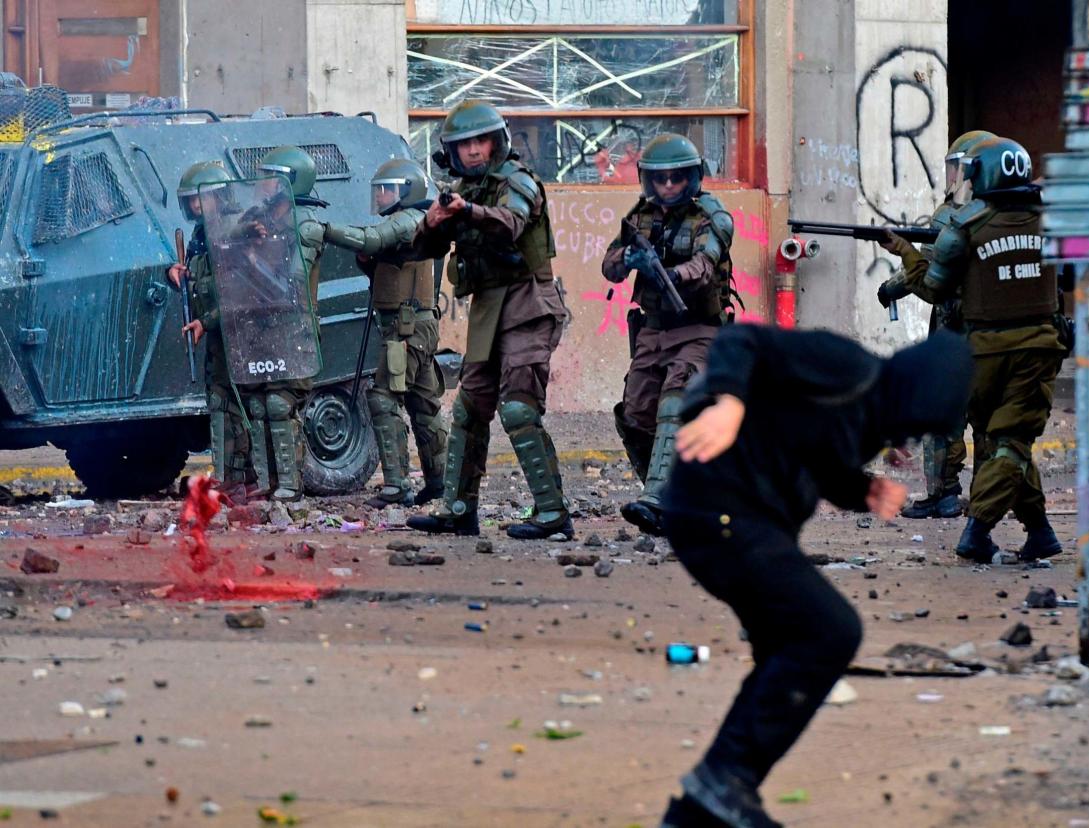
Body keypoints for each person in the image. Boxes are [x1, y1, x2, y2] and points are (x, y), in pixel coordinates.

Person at [659, 325, 972, 827]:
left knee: (786, 653)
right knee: (829, 630)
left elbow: (812, 454)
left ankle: (704, 808)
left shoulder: (870, 418)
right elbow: (742, 341)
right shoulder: (846, 365)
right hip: (718, 508)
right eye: (918, 423)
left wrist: (861, 490)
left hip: (743, 521)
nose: (909, 439)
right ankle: (722, 780)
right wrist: (730, 403)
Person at [404, 100, 571, 540]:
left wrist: (468, 212)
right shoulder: (464, 191)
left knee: (518, 408)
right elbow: (421, 250)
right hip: (488, 310)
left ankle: (553, 512)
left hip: (529, 304)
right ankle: (458, 510)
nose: (474, 151)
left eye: (481, 141)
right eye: (464, 145)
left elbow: (511, 222)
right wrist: (433, 221)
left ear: (498, 143)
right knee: (469, 408)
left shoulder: (517, 180)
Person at [921, 136, 1065, 562]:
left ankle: (1021, 531)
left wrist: (909, 265)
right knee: (1012, 443)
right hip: (1035, 347)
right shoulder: (1051, 222)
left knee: (1004, 442)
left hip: (983, 352)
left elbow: (936, 287)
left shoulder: (967, 224)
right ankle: (994, 530)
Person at [601, 133, 735, 536]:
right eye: (660, 180)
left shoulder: (712, 218)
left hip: (697, 330)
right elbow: (610, 267)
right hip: (653, 331)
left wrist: (670, 274)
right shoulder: (640, 216)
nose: (669, 187)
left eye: (677, 179)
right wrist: (630, 258)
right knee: (635, 414)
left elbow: (705, 265)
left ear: (692, 179)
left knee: (675, 402)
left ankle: (658, 499)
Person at [874, 130, 995, 519]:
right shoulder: (1007, 215)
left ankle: (942, 492)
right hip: (993, 337)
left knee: (944, 418)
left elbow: (926, 276)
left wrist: (889, 287)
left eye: (957, 168)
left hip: (953, 332)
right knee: (988, 423)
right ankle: (985, 499)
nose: (952, 176)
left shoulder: (953, 217)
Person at [322, 159, 447, 508]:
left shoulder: (407, 220)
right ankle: (440, 482)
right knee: (423, 405)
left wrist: (325, 229)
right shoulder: (411, 222)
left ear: (406, 191)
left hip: (407, 328)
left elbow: (371, 239)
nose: (379, 196)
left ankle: (397, 486)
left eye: (386, 189)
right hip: (410, 325)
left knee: (381, 398)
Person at [236, 146, 326, 501]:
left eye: (271, 178)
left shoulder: (303, 224)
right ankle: (265, 481)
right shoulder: (263, 220)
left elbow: (289, 283)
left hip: (294, 328)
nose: (263, 185)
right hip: (262, 327)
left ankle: (290, 483)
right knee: (258, 406)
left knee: (279, 405)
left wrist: (252, 258)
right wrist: (243, 235)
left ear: (291, 183)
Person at [167, 161, 252, 493]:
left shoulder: (235, 229)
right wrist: (177, 274)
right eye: (189, 201)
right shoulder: (201, 235)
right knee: (219, 405)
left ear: (218, 195)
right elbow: (199, 278)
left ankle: (248, 475)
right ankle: (229, 476)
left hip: (239, 334)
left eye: (199, 199)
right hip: (215, 335)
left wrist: (207, 320)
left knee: (245, 406)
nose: (194, 206)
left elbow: (242, 292)